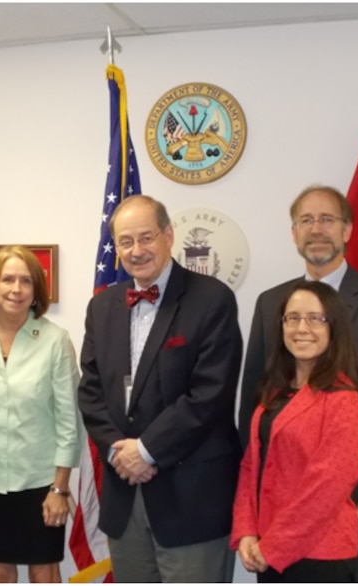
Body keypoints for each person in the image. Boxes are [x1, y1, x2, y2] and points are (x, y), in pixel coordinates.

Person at [238, 185, 358, 582]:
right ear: (294, 233)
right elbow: (254, 400)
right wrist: (248, 507)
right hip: (278, 506)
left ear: (347, 230)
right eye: (306, 220)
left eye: (327, 219)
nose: (316, 229)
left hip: (355, 497)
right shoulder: (271, 302)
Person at [77, 194, 243, 582]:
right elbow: (91, 392)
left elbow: (210, 395)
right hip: (125, 492)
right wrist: (121, 452)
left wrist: (147, 452)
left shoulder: (213, 299)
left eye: (146, 237)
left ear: (169, 235)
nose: (137, 251)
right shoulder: (101, 307)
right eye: (126, 242)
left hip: (191, 497)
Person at [232, 281, 358, 582]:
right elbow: (250, 466)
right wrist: (246, 531)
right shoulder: (276, 394)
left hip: (320, 556)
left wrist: (274, 547)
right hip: (269, 550)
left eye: (315, 318)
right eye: (292, 318)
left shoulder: (345, 401)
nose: (301, 328)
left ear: (334, 328)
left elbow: (325, 489)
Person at [0, 245, 80, 583]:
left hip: (40, 482)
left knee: (44, 572)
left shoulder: (55, 340)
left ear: (36, 289)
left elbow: (69, 419)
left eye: (26, 281)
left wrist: (60, 489)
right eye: (7, 279)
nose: (16, 289)